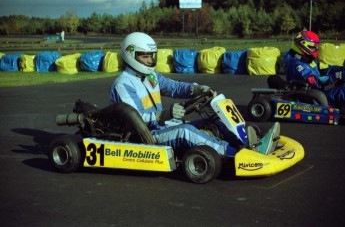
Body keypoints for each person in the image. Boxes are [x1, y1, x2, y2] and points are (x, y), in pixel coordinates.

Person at [109, 32, 280, 156]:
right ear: (131, 55)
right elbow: (135, 119)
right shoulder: (123, 84)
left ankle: (247, 143)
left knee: (212, 121)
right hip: (144, 136)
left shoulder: (151, 76)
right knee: (186, 131)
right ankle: (236, 154)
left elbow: (174, 87)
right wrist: (165, 114)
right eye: (145, 57)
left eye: (151, 56)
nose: (150, 61)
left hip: (163, 126)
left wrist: (196, 89)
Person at [284, 30, 345, 110]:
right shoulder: (297, 65)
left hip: (320, 93)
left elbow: (326, 68)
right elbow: (317, 82)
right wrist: (340, 75)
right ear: (303, 45)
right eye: (313, 46)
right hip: (314, 98)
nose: (316, 48)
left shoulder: (307, 60)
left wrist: (341, 69)